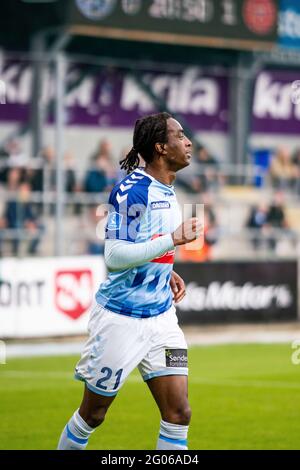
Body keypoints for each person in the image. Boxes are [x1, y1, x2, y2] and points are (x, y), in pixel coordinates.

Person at [57, 112, 201, 451]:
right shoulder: (132, 192)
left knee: (179, 413)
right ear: (161, 147)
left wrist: (166, 270)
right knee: (93, 414)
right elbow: (115, 256)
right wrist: (172, 242)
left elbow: (146, 245)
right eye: (180, 136)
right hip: (121, 320)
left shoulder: (168, 189)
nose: (189, 141)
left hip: (162, 319)